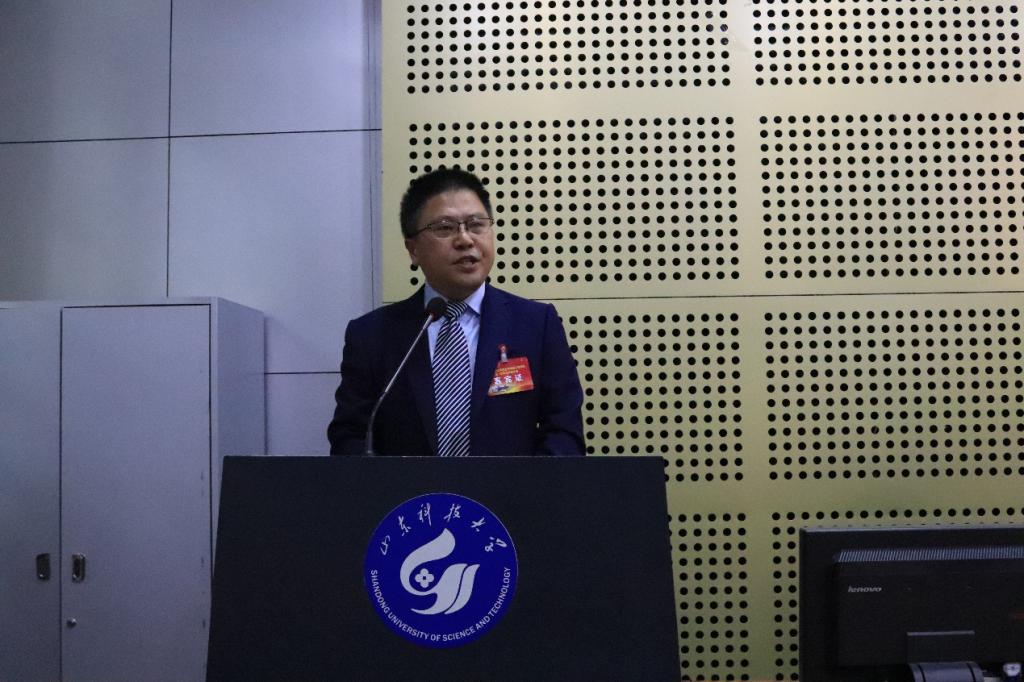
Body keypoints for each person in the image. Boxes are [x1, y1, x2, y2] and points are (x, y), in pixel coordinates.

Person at [328, 167, 585, 456]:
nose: (465, 240)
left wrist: (526, 485)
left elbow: (564, 432)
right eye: (445, 228)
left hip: (512, 487)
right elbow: (350, 437)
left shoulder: (537, 325)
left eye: (476, 225)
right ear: (413, 249)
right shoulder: (372, 335)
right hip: (410, 488)